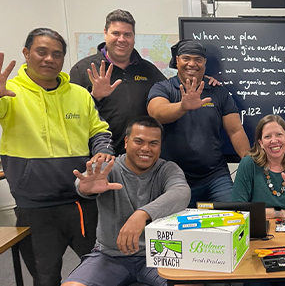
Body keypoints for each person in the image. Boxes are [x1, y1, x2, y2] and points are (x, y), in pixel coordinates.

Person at [0, 28, 113, 286]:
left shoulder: (79, 94)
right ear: (26, 53)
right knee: (46, 277)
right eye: (41, 51)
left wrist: (103, 150)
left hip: (81, 202)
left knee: (101, 270)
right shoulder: (10, 91)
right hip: (35, 208)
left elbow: (99, 130)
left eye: (57, 54)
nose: (49, 59)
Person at [62, 116, 190, 286]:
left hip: (160, 256)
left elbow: (181, 192)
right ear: (126, 142)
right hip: (109, 256)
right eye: (139, 141)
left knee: (192, 283)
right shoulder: (108, 167)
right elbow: (85, 181)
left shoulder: (167, 169)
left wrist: (142, 214)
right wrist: (86, 188)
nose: (146, 148)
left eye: (153, 143)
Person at [148, 39, 250, 205]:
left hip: (215, 176)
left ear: (205, 62)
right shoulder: (163, 88)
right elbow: (156, 113)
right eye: (186, 58)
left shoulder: (218, 92)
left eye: (198, 59)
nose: (192, 64)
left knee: (235, 218)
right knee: (175, 227)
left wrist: (250, 163)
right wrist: (183, 106)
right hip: (173, 177)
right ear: (177, 60)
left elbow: (235, 131)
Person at [69, 9, 166, 154]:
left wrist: (207, 78)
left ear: (133, 37)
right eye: (116, 33)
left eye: (127, 34)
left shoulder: (149, 70)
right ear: (105, 33)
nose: (122, 39)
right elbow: (71, 116)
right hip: (99, 157)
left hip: (141, 157)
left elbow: (172, 92)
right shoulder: (82, 69)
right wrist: (95, 97)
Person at [232, 114, 285, 219]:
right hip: (257, 227)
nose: (274, 141)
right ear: (261, 143)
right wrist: (280, 214)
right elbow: (238, 209)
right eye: (267, 136)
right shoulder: (248, 164)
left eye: (279, 134)